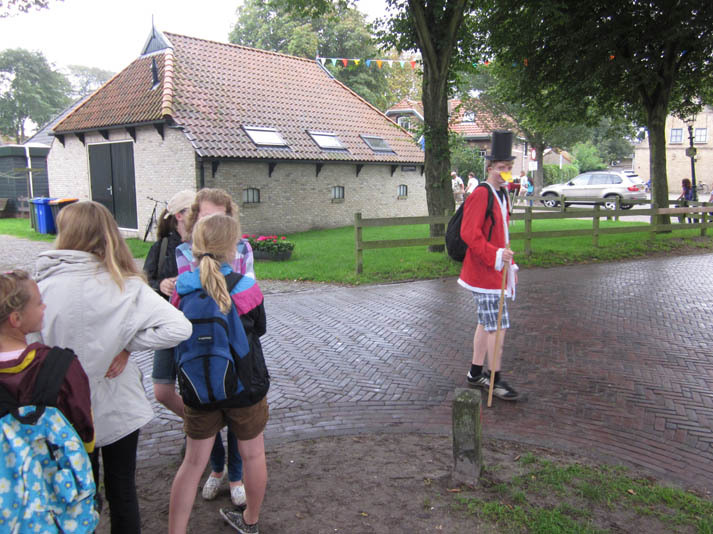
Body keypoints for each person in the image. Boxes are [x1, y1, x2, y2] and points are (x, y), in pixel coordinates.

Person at [32, 201, 192, 533]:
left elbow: (28, 345)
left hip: (62, 408)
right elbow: (179, 327)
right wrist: (126, 342)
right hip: (116, 406)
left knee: (77, 495)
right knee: (122, 490)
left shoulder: (40, 289)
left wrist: (127, 343)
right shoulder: (124, 284)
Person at [167, 213, 269, 534]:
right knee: (253, 455)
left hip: (199, 388)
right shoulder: (246, 287)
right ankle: (249, 521)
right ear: (232, 248)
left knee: (192, 463)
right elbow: (260, 329)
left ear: (194, 247)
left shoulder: (180, 290)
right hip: (244, 385)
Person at [173, 188, 254, 507]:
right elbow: (183, 297)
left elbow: (247, 290)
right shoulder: (182, 251)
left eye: (220, 217)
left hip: (229, 344)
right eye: (207, 217)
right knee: (205, 412)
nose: (213, 223)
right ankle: (217, 467)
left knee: (235, 410)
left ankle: (235, 475)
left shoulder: (243, 249)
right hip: (196, 346)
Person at [0, 270, 98, 533]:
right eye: (39, 302)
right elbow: (84, 428)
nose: (44, 307)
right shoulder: (60, 366)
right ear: (16, 318)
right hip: (57, 495)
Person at [460, 130, 522, 401]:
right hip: (483, 273)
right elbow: (469, 234)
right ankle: (494, 379)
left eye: (508, 168)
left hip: (496, 271)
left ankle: (475, 373)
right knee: (498, 325)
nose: (504, 172)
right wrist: (496, 256)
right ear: (490, 168)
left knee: (486, 323)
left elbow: (502, 235)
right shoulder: (481, 194)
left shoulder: (503, 195)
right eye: (500, 168)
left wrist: (511, 266)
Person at [144, 190, 195, 418]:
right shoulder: (161, 247)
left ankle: (200, 431)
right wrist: (161, 284)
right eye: (194, 210)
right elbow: (144, 284)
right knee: (162, 391)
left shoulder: (204, 245)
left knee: (195, 386)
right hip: (167, 324)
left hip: (197, 324)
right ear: (179, 215)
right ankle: (197, 425)